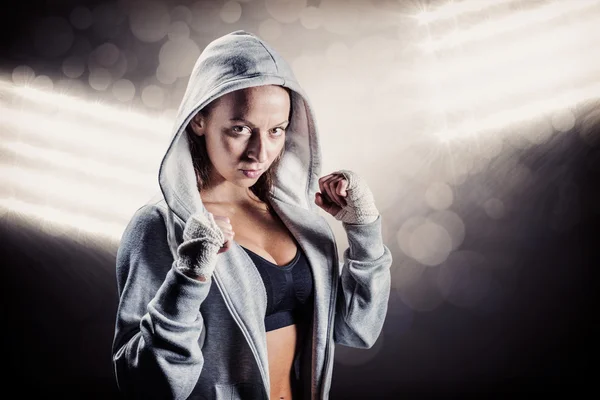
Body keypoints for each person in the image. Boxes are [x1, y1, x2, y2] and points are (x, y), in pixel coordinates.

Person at [111, 30, 393, 400]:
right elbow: (144, 385)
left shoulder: (300, 222)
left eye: (276, 130)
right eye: (240, 129)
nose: (260, 152)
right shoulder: (159, 226)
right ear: (199, 121)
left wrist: (364, 230)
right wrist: (188, 278)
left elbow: (357, 330)